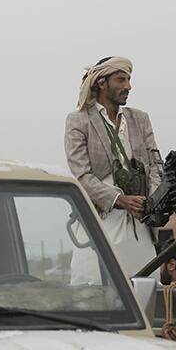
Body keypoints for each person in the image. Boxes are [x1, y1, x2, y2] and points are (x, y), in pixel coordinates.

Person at [65, 56, 162, 283]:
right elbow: (82, 176)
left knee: (147, 292)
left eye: (129, 79)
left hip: (140, 225)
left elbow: (156, 165)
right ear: (101, 82)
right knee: (93, 292)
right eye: (121, 79)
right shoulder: (78, 121)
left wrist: (155, 200)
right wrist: (120, 199)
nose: (128, 86)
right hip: (101, 222)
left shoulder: (139, 119)